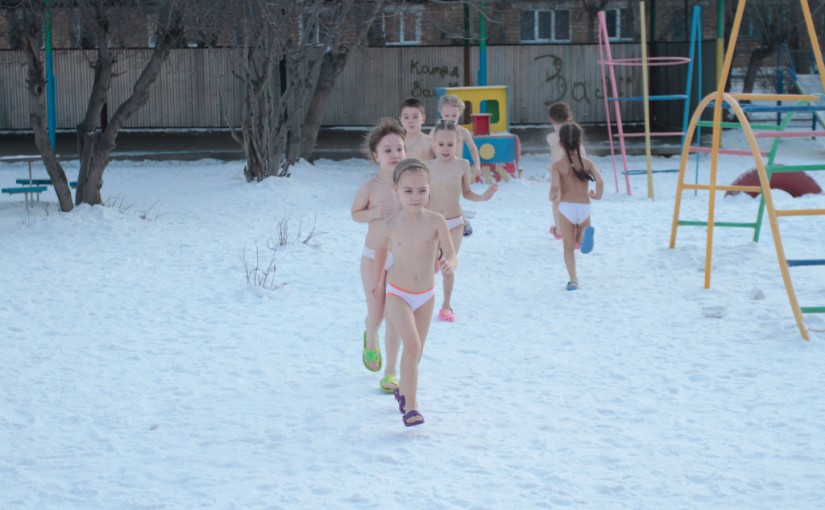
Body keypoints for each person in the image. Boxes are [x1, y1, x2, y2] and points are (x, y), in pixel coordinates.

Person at [372, 158, 458, 427]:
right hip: (397, 292)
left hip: (426, 295)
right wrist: (378, 281)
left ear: (429, 190)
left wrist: (449, 264)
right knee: (412, 344)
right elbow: (380, 251)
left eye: (422, 190)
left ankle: (403, 391)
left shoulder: (436, 221)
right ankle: (411, 406)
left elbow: (451, 253)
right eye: (408, 191)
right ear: (396, 190)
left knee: (416, 353)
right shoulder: (389, 224)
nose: (416, 196)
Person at [350, 117, 404, 393]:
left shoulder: (410, 183)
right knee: (378, 314)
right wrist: (371, 213)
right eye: (388, 150)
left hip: (402, 260)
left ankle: (391, 371)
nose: (395, 154)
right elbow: (354, 214)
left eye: (399, 149)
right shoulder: (370, 187)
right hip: (373, 257)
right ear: (376, 156)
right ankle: (371, 336)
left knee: (395, 316)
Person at [426, 120, 497, 322]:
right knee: (429, 266)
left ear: (458, 142)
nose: (446, 149)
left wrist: (483, 197)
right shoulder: (427, 166)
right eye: (441, 144)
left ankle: (446, 305)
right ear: (434, 143)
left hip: (455, 222)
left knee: (448, 263)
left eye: (450, 144)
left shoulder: (462, 165)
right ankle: (421, 300)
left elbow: (466, 193)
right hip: (431, 223)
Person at [549, 122, 604, 291]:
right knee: (580, 235)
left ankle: (573, 279)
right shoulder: (588, 163)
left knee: (568, 246)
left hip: (566, 207)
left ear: (560, 143)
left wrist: (552, 196)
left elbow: (556, 187)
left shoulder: (558, 166)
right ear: (580, 142)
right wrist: (597, 195)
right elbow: (600, 181)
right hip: (584, 207)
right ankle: (583, 237)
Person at [432, 94, 482, 236]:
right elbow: (429, 148)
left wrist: (477, 165)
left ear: (459, 114)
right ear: (441, 113)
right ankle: (438, 221)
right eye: (446, 114)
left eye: (454, 115)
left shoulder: (463, 132)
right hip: (439, 170)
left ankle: (462, 220)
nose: (450, 118)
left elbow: (473, 149)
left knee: (455, 197)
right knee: (437, 196)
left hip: (457, 171)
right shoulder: (436, 131)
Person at [546, 101, 588, 240]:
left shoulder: (553, 137)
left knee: (558, 203)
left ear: (551, 120)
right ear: (569, 117)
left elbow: (557, 156)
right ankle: (580, 231)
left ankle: (560, 230)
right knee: (578, 203)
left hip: (561, 174)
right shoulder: (575, 134)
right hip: (579, 173)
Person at [399, 97, 434, 162]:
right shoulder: (397, 142)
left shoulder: (430, 141)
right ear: (401, 120)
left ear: (423, 118)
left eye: (415, 117)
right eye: (406, 117)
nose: (411, 121)